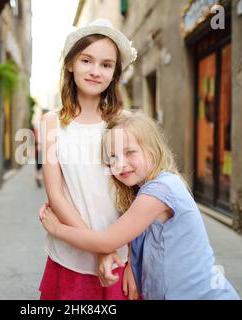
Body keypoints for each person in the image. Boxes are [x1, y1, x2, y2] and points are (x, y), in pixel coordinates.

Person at [40, 112, 240, 300]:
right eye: (112, 157)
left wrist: (57, 228)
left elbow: (106, 241)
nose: (121, 163)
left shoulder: (160, 190)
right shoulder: (142, 190)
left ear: (153, 150)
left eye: (130, 152)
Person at [38, 19, 139, 300]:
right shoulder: (51, 123)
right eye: (86, 60)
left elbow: (137, 196)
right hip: (72, 255)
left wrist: (128, 256)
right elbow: (56, 195)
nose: (95, 71)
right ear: (71, 64)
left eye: (106, 65)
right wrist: (100, 249)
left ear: (114, 74)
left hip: (122, 257)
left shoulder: (124, 122)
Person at [34, 108, 49, 188]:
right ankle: (39, 177)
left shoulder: (37, 123)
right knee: (43, 163)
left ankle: (38, 176)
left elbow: (36, 135)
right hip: (44, 146)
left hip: (40, 146)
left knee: (39, 163)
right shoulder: (48, 123)